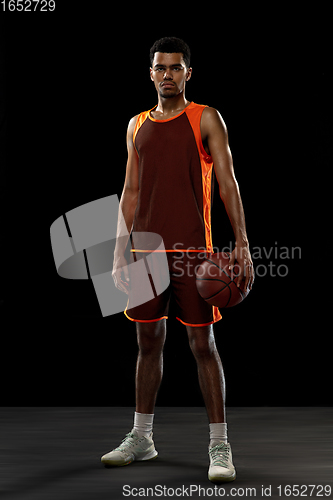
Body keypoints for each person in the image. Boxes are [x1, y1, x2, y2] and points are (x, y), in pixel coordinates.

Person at [101, 37, 254, 483]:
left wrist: (241, 243)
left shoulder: (205, 118)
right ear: (150, 73)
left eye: (176, 67)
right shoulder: (135, 125)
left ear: (189, 73)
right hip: (145, 253)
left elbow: (228, 183)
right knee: (147, 345)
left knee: (202, 347)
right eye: (160, 68)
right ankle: (142, 438)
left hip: (195, 253)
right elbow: (130, 191)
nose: (167, 74)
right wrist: (117, 247)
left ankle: (220, 445)